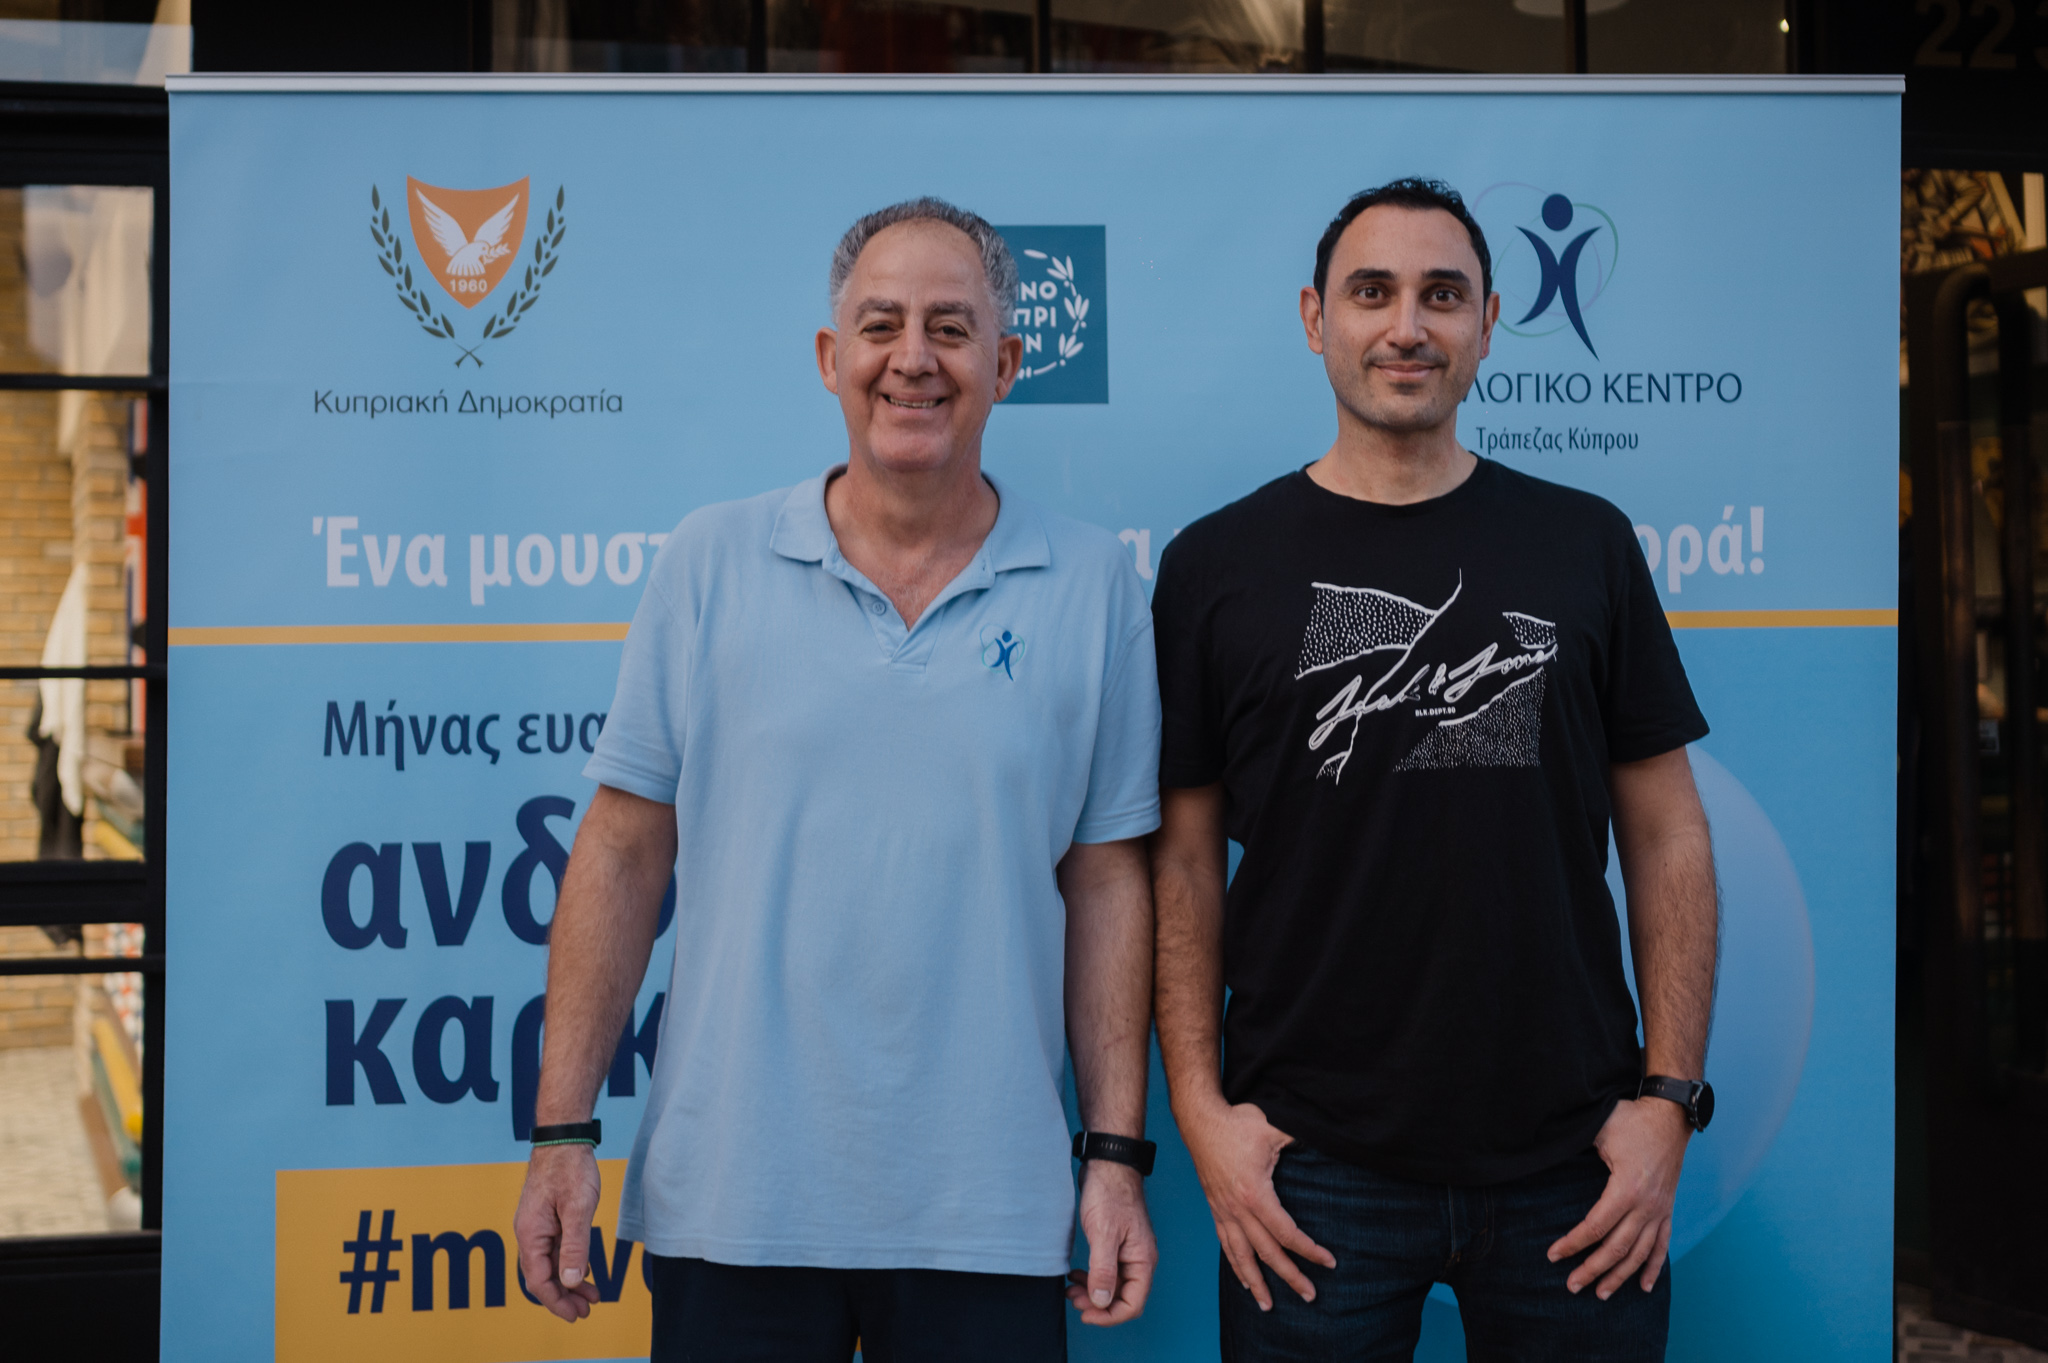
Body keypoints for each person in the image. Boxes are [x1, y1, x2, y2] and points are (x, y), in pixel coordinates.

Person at [513, 197, 1163, 1361]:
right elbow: (619, 848)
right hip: (733, 1203)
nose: (913, 357)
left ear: (1006, 364)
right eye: (880, 325)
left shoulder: (1092, 585)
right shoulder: (708, 561)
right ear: (829, 357)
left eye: (950, 327)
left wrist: (1113, 1155)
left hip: (988, 1213)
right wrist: (562, 1129)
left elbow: (1107, 879)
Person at [1150, 178, 1719, 1360]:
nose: (1405, 326)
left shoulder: (1584, 543)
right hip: (1309, 1170)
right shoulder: (1214, 566)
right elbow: (1183, 860)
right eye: (1371, 293)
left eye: (1440, 295)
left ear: (1487, 323)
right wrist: (1200, 1115)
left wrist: (1667, 1101)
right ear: (1314, 318)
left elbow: (1666, 833)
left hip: (1573, 1164)